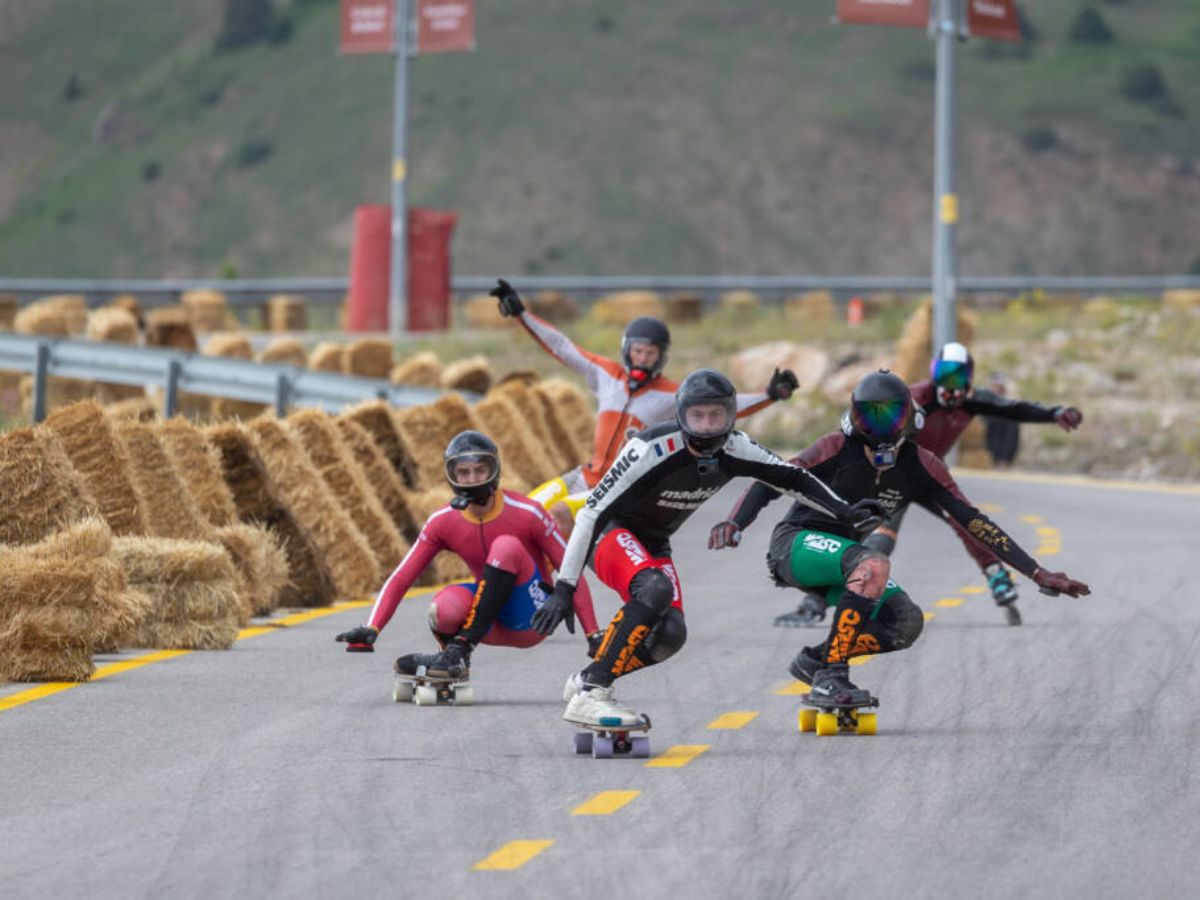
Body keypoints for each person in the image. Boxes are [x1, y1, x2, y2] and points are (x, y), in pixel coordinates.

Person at [528, 368, 885, 727]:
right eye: (697, 416)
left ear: (731, 415)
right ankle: (593, 692)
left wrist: (844, 510)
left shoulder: (736, 447)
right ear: (681, 416)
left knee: (670, 634)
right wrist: (565, 587)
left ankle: (586, 679)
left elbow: (793, 478)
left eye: (717, 415)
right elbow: (591, 513)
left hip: (654, 540)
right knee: (654, 589)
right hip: (611, 529)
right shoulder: (650, 448)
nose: (707, 426)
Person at [710, 370, 1089, 704]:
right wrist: (735, 522)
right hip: (795, 545)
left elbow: (975, 523)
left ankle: (817, 661)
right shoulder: (835, 447)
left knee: (905, 622)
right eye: (869, 415)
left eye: (890, 414)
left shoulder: (921, 466)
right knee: (873, 562)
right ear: (853, 415)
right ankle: (832, 677)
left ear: (908, 416)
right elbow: (772, 480)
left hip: (849, 560)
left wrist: (1037, 573)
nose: (880, 427)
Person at [773, 341, 1084, 628]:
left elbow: (1014, 409)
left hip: (928, 479)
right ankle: (815, 601)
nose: (947, 385)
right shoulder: (916, 398)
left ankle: (994, 573)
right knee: (873, 539)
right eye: (941, 375)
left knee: (967, 523)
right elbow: (866, 421)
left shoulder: (973, 400)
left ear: (969, 379)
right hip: (893, 479)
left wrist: (1053, 413)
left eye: (956, 377)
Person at [489, 279, 799, 535]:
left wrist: (770, 394)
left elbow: (728, 405)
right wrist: (521, 314)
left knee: (554, 521)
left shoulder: (671, 394)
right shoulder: (606, 374)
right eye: (637, 351)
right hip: (584, 475)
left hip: (614, 488)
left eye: (650, 353)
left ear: (661, 357)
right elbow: (561, 347)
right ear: (627, 350)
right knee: (524, 512)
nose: (642, 358)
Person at [335, 430, 601, 681]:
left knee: (506, 546)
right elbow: (402, 576)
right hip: (485, 619)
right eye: (464, 472)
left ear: (494, 470)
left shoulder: (528, 512)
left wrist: (594, 634)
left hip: (530, 617)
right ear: (452, 476)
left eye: (480, 470)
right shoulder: (442, 521)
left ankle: (459, 648)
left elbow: (571, 566)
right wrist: (373, 628)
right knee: (442, 609)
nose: (473, 478)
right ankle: (452, 663)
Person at [983, 374, 1020, 468]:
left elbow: (1011, 437)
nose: (994, 390)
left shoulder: (1009, 408)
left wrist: (1004, 459)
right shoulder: (981, 406)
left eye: (998, 387)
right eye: (993, 386)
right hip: (982, 456)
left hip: (998, 458)